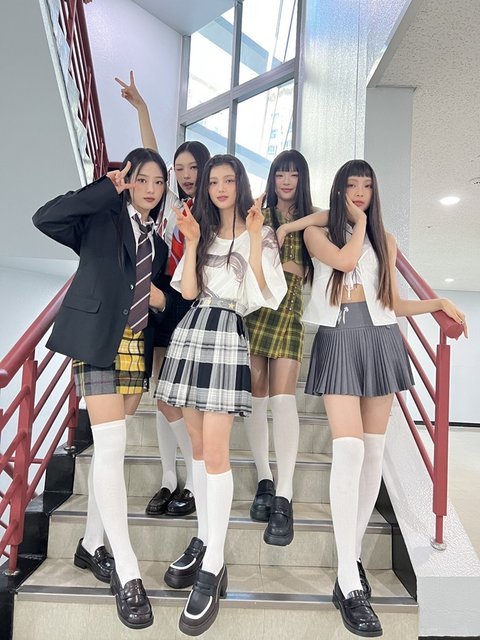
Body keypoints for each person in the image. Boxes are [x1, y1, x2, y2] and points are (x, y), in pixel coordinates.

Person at [302, 159, 467, 637]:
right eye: (351, 185)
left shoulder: (387, 241)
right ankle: (348, 576)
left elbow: (390, 301)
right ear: (339, 190)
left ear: (375, 192)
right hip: (338, 338)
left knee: (373, 452)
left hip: (382, 340)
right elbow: (345, 263)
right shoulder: (319, 233)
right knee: (349, 449)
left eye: (367, 186)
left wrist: (436, 302)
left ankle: (349, 565)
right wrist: (357, 224)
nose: (360, 192)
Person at [33, 148, 172, 630]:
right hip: (96, 341)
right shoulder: (99, 216)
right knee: (112, 445)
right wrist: (103, 190)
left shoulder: (159, 242)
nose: (150, 189)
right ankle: (127, 570)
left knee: (110, 451)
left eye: (159, 182)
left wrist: (160, 301)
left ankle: (91, 543)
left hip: (135, 344)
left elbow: (158, 295)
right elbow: (45, 218)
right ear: (127, 178)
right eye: (142, 179)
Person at [155, 154, 287, 636]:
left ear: (241, 184)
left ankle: (213, 564)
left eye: (229, 179)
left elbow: (266, 293)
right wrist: (191, 242)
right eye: (214, 181)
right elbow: (189, 292)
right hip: (193, 331)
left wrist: (253, 236)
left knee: (215, 454)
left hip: (229, 332)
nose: (221, 187)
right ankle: (203, 539)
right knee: (197, 449)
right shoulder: (204, 231)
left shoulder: (261, 233)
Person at [116, 71, 211, 518]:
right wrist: (143, 109)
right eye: (181, 169)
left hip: (190, 303)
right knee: (160, 391)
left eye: (194, 168)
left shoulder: (212, 212)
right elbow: (150, 155)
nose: (186, 175)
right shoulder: (169, 204)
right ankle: (169, 479)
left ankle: (194, 479)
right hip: (156, 301)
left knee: (179, 395)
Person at [243, 149, 326, 546]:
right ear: (272, 177)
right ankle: (264, 477)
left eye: (293, 174)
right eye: (280, 174)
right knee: (256, 398)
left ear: (301, 178)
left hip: (290, 315)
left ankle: (285, 493)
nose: (287, 181)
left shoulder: (311, 217)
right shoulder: (258, 213)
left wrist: (291, 228)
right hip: (256, 310)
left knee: (283, 400)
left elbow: (334, 215)